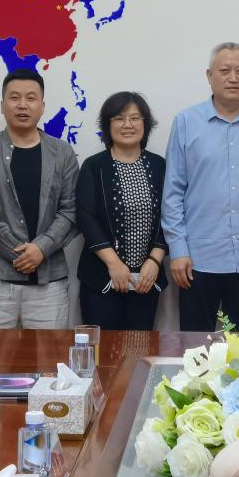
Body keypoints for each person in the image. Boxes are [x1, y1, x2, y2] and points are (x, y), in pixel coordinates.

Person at [162, 42, 239, 332]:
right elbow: (173, 192)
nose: (233, 78)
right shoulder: (186, 122)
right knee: (194, 348)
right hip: (197, 258)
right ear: (209, 76)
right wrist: (178, 249)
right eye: (225, 71)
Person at [0, 68, 78, 329]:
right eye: (14, 98)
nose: (22, 105)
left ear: (42, 106)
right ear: (2, 105)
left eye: (31, 98)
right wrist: (23, 254)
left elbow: (71, 209)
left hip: (48, 285)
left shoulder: (62, 153)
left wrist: (41, 248)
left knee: (50, 355)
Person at [76, 91, 168, 330]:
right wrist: (114, 264)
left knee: (140, 347)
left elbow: (171, 215)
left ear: (145, 124)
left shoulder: (160, 166)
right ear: (108, 125)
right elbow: (86, 218)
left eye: (135, 118)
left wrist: (155, 261)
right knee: (102, 349)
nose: (128, 124)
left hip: (146, 280)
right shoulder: (93, 166)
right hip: (101, 279)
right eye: (119, 118)